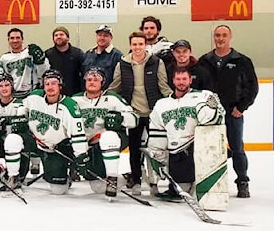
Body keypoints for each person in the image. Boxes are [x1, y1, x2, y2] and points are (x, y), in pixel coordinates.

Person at [107, 31, 171, 195]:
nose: (137, 47)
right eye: (134, 44)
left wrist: (175, 100)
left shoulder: (156, 62)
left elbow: (163, 86)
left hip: (152, 114)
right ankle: (136, 180)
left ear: (145, 45)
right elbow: (115, 86)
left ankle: (154, 182)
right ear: (130, 46)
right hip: (133, 114)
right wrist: (103, 98)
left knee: (155, 149)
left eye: (140, 44)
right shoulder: (123, 64)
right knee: (134, 149)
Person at [197, 25, 258, 198]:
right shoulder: (204, 60)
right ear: (213, 37)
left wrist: (241, 107)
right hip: (210, 114)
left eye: (224, 35)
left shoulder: (242, 61)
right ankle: (209, 183)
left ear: (230, 37)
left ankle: (242, 181)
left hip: (233, 112)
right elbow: (198, 87)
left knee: (237, 147)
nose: (220, 38)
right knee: (209, 149)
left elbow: (252, 87)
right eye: (217, 35)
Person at [147, 67, 225, 201]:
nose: (181, 82)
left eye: (184, 79)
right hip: (175, 152)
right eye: (178, 79)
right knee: (181, 190)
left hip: (196, 148)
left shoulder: (202, 96)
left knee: (193, 190)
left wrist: (211, 110)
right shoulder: (162, 104)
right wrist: (158, 159)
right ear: (173, 81)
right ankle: (184, 184)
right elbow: (157, 133)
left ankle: (202, 184)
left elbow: (218, 120)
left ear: (190, 80)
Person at [22, 69, 90, 195]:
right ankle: (15, 176)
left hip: (55, 149)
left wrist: (81, 156)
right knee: (14, 140)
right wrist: (20, 118)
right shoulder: (34, 96)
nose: (50, 87)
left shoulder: (69, 105)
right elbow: (22, 107)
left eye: (53, 83)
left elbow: (77, 134)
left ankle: (63, 175)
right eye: (47, 84)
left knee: (58, 190)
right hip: (35, 143)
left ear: (60, 85)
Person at [71, 68, 137, 198]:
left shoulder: (112, 98)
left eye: (96, 80)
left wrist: (121, 118)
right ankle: (123, 179)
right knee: (98, 188)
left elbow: (135, 118)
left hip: (108, 143)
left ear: (103, 83)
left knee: (109, 136)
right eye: (89, 79)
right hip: (87, 145)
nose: (92, 82)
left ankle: (112, 180)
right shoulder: (75, 100)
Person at [0, 27, 49, 99]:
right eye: (12, 38)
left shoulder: (30, 53)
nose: (15, 40)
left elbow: (44, 72)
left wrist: (41, 61)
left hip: (32, 92)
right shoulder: (4, 58)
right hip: (13, 94)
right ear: (8, 40)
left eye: (18, 38)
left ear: (22, 39)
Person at [45, 26, 85, 96]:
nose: (58, 37)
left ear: (68, 38)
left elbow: (84, 73)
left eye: (61, 34)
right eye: (56, 35)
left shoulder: (78, 53)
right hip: (54, 94)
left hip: (75, 93)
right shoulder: (48, 54)